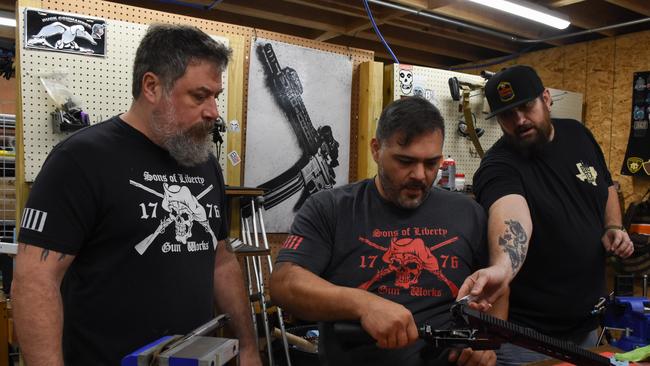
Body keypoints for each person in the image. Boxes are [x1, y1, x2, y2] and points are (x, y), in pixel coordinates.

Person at [12, 24, 261, 366]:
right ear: (152, 86)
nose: (213, 111)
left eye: (215, 96)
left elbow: (221, 261)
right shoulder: (82, 159)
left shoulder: (204, 163)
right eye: (199, 96)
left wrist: (247, 346)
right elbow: (35, 280)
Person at [270, 97, 502, 366]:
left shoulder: (467, 212)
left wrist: (486, 339)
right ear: (376, 149)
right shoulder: (331, 208)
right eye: (405, 161)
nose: (420, 175)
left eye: (431, 163)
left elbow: (497, 287)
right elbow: (284, 283)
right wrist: (363, 304)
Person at [457, 65, 634, 365]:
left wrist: (613, 226)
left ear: (546, 99)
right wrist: (503, 266)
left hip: (588, 330)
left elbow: (605, 186)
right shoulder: (498, 166)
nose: (519, 120)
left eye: (526, 107)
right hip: (529, 340)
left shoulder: (578, 134)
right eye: (507, 115)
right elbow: (511, 217)